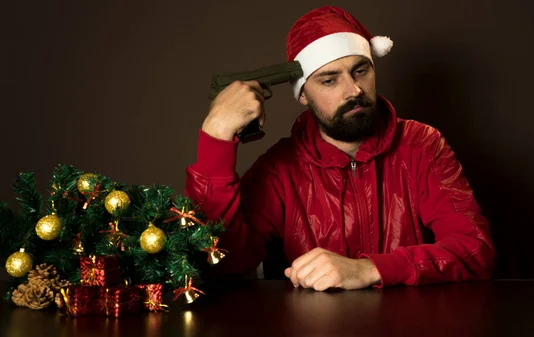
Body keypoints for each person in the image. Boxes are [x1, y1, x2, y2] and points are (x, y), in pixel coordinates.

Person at [185, 6, 495, 291]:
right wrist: (215, 139)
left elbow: (475, 249)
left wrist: (368, 269)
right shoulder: (280, 170)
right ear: (303, 94)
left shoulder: (421, 145)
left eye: (360, 70)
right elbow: (222, 264)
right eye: (329, 81)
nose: (354, 90)